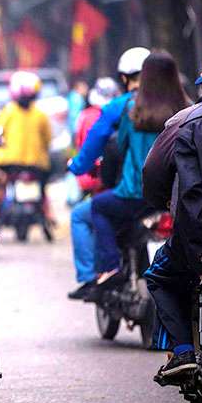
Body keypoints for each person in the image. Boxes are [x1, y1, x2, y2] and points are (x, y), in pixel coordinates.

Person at [90, 52, 188, 289]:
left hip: (135, 195)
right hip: (179, 197)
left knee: (97, 206)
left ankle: (111, 266)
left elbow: (117, 147)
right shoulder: (188, 109)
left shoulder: (132, 110)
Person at [145, 61, 202, 380]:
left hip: (201, 240)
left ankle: (184, 351)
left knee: (159, 276)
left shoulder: (189, 125)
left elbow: (192, 196)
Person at [67, 47, 150, 298]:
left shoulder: (122, 107)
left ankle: (103, 271)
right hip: (173, 193)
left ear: (124, 78)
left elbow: (98, 145)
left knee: (88, 212)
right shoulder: (179, 103)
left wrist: (77, 166)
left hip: (134, 193)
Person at [142, 45, 202, 212]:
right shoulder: (188, 114)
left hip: (196, 229)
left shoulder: (186, 121)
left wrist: (169, 204)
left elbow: (152, 172)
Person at [66, 77, 121, 299]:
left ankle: (93, 275)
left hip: (122, 191)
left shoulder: (105, 114)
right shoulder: (176, 108)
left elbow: (86, 152)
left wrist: (77, 167)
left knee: (83, 214)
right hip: (159, 194)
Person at [0, 71, 52, 223]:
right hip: (36, 164)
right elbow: (47, 139)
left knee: (1, 186)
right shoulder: (41, 114)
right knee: (43, 189)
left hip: (10, 162)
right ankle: (47, 214)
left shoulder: (8, 111)